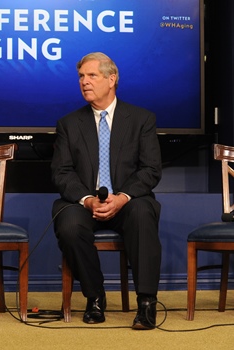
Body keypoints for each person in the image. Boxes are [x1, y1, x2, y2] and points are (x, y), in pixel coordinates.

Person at [51, 52, 162, 330]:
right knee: (69, 223)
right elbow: (61, 172)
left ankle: (147, 303)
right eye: (80, 77)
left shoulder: (141, 119)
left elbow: (150, 169)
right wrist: (88, 201)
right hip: (85, 202)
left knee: (142, 212)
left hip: (127, 200)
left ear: (112, 79)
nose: (84, 82)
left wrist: (122, 197)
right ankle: (95, 297)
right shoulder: (68, 124)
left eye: (91, 76)